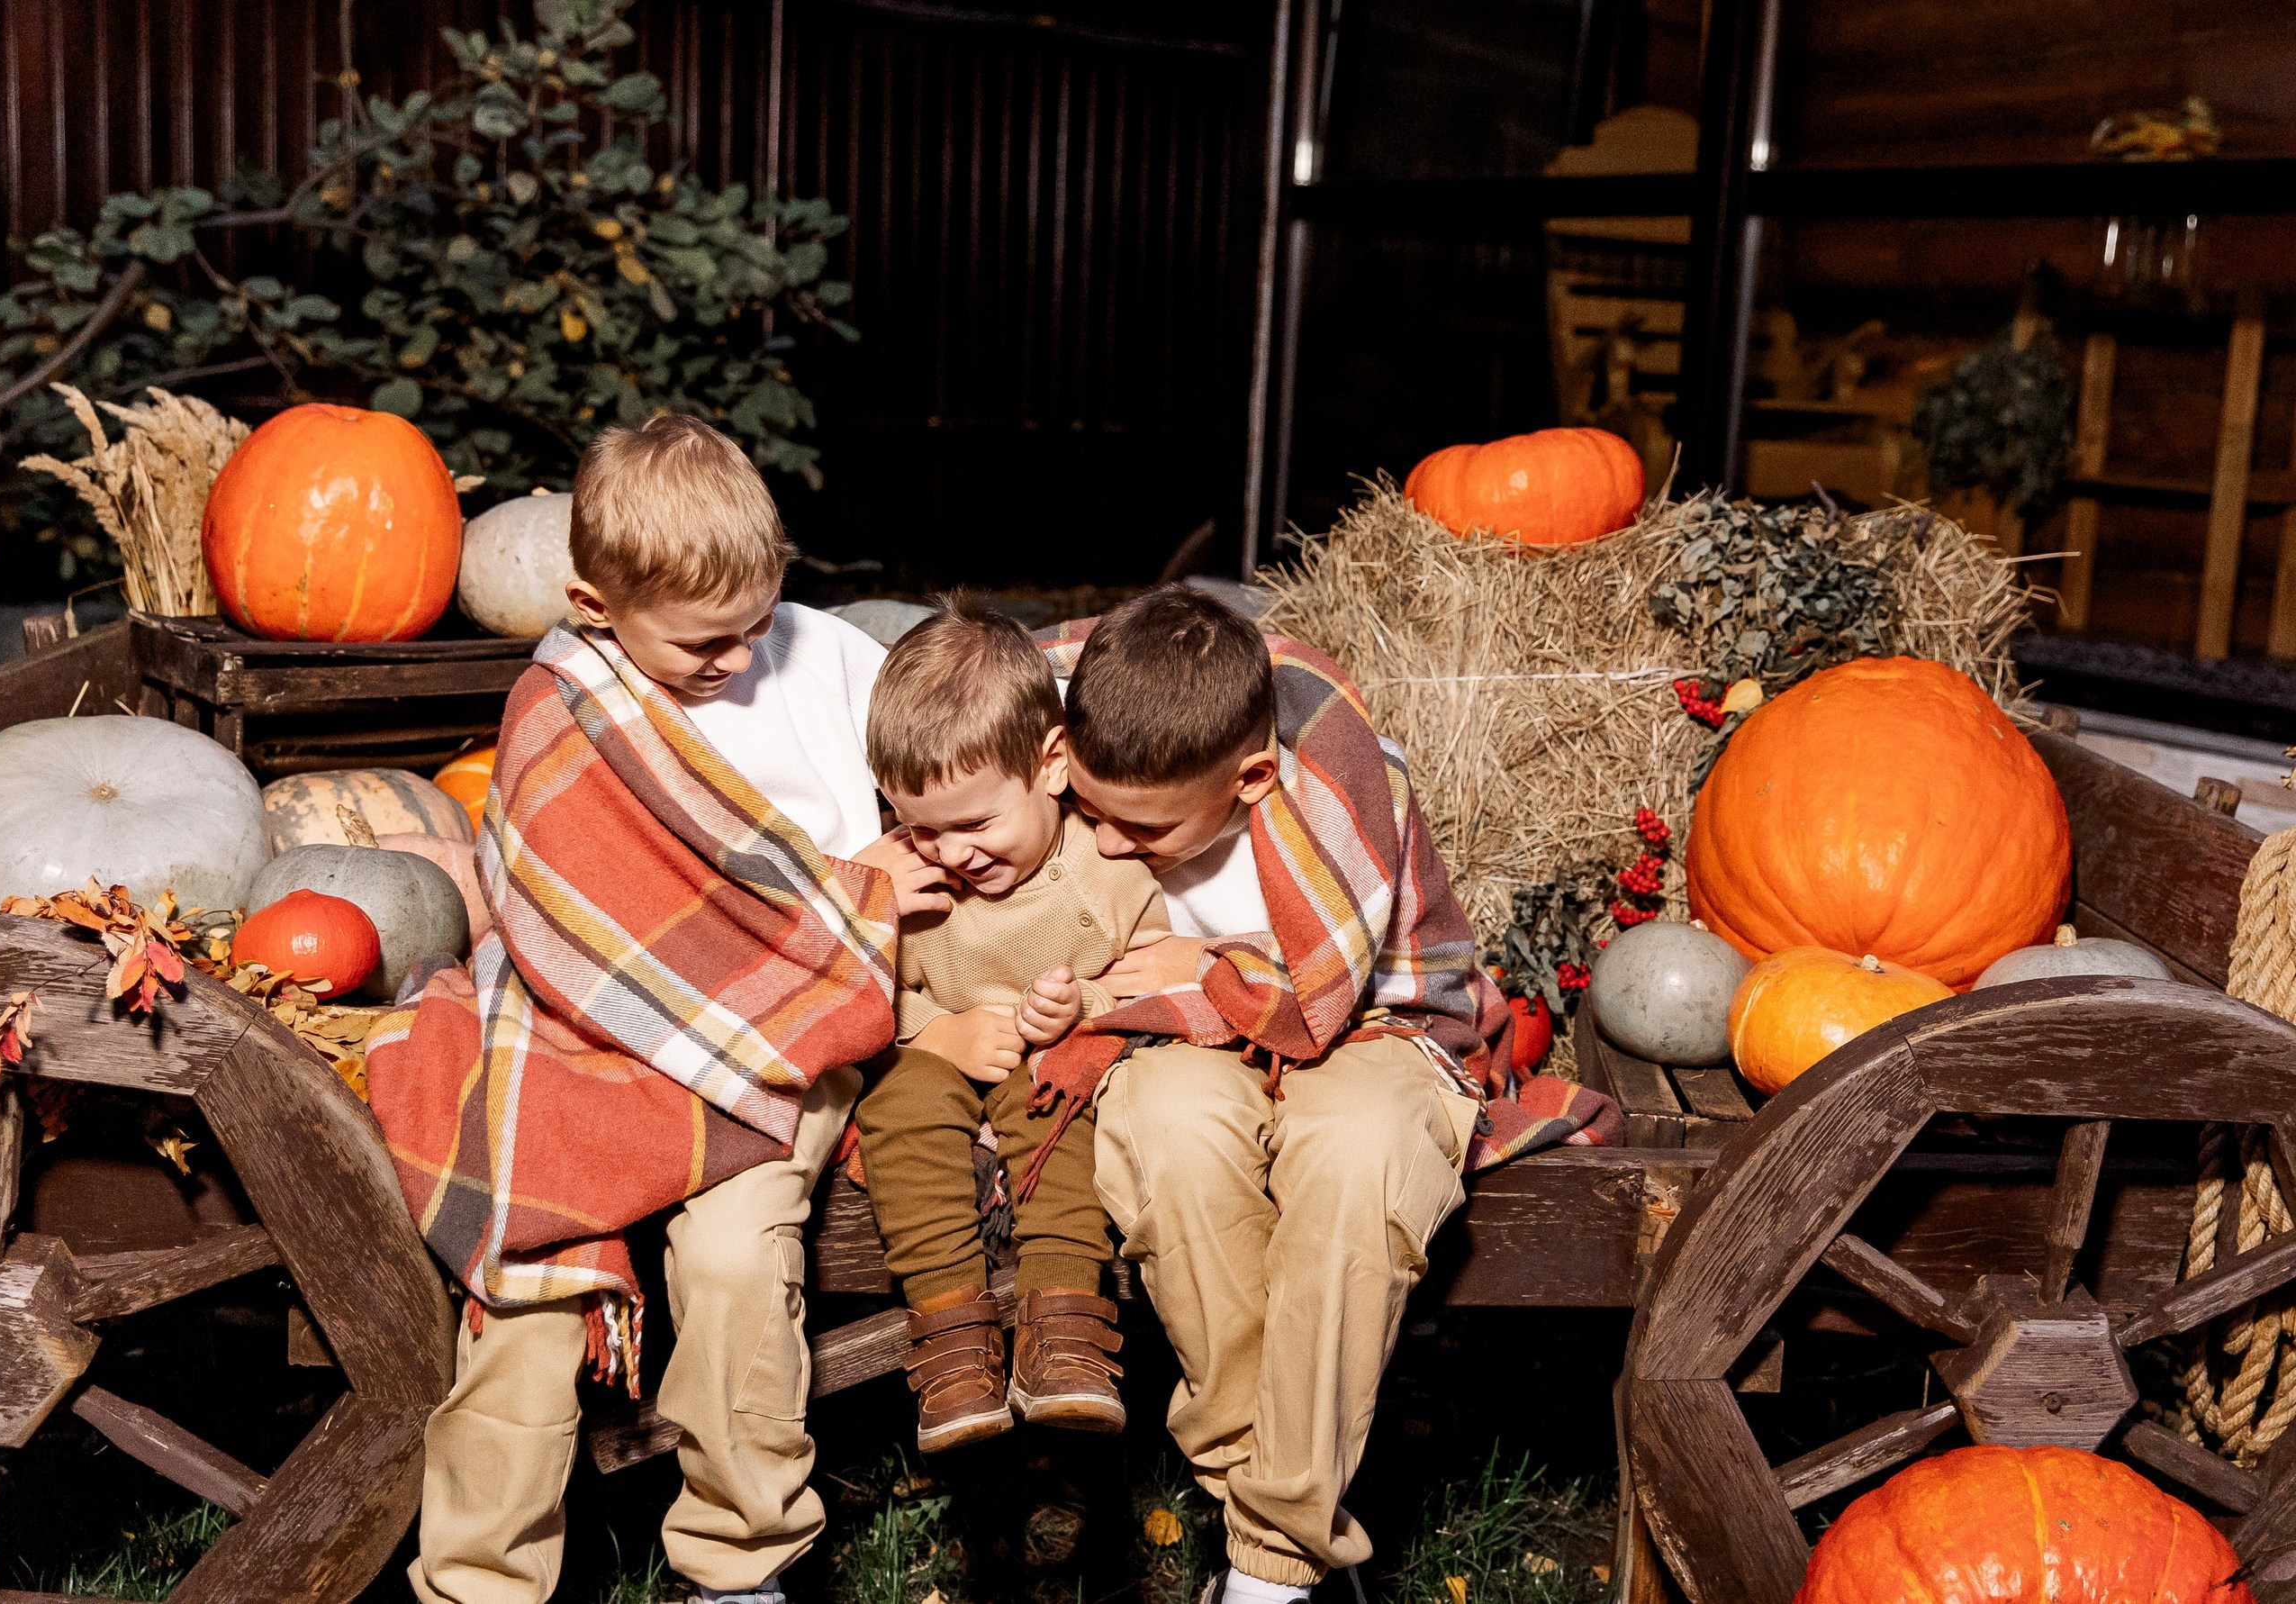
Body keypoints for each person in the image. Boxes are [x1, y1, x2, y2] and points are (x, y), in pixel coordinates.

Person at [367, 413, 948, 1604]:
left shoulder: (822, 657)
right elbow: (573, 904)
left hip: (779, 1031)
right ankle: (479, 1582)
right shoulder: (562, 711)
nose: (739, 659)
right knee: (528, 1290)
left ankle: (741, 1565)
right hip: (591, 1028)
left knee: (738, 1255)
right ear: (591, 600)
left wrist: (856, 898)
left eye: (754, 625)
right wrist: (852, 892)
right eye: (704, 643)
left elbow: (946, 763)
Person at [1028, 586, 1616, 1604]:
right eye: (1089, 808)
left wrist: (1198, 955)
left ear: (1251, 776)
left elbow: (1319, 1000)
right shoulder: (1098, 698)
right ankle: (1271, 1512)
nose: (1109, 843)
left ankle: (1265, 1574)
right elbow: (955, 688)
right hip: (1172, 1023)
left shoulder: (1340, 781)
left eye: (1142, 826)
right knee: (1171, 1135)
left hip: (1370, 1014)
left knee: (1357, 1154)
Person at [854, 597, 1166, 1453]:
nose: (953, 853)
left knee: (1057, 1100)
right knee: (899, 1107)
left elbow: (1155, 977)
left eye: (976, 823)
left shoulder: (1105, 872)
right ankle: (951, 1333)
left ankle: (1064, 1325)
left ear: (1052, 765)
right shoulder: (915, 888)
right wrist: (931, 1035)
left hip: (1051, 1062)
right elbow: (862, 994)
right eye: (922, 827)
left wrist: (1086, 1011)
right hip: (934, 1053)